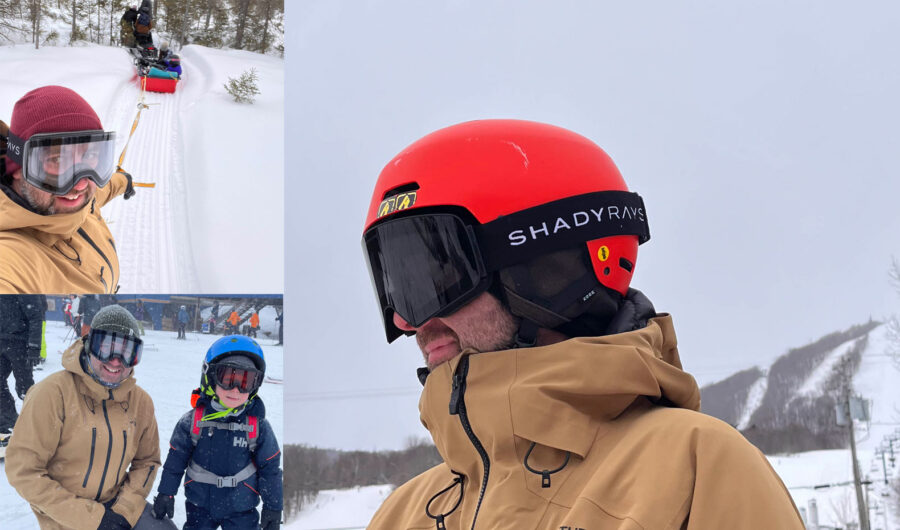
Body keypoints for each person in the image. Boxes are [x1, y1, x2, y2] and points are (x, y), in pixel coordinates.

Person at [362, 120, 805, 529]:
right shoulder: (401, 514)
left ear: (543, 271)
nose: (406, 320)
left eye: (434, 278)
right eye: (397, 286)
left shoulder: (695, 469)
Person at [4, 305, 173, 529]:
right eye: (106, 347)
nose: (116, 361)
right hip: (66, 516)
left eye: (126, 352)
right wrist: (92, 519)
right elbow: (24, 471)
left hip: (117, 505)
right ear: (90, 345)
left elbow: (147, 461)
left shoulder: (140, 402)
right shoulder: (52, 394)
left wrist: (123, 508)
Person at [0, 86, 136, 294]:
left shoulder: (72, 200)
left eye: (90, 156)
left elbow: (99, 193)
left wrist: (124, 182)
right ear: (18, 168)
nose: (80, 185)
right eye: (57, 160)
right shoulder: (11, 260)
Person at [151, 335, 283, 529]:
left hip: (242, 509)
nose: (236, 390)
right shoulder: (193, 421)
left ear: (256, 385)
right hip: (200, 507)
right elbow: (175, 461)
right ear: (211, 377)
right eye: (228, 379)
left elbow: (270, 469)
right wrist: (166, 492)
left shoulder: (258, 426)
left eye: (245, 382)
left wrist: (273, 507)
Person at [0, 295, 45, 434]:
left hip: (20, 344)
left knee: (24, 387)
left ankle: (37, 422)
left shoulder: (23, 289)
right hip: (2, 341)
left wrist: (34, 347)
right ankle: (8, 419)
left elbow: (36, 316)